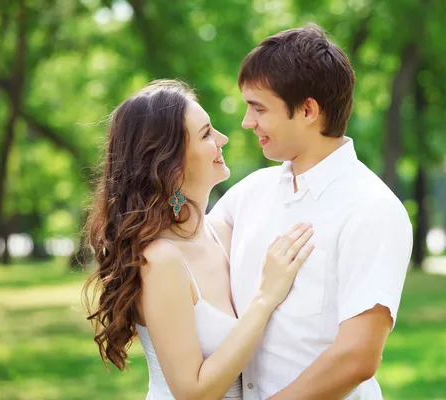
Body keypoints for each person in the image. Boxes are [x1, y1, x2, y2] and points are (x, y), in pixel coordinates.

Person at [209, 24, 413, 399]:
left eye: (258, 108)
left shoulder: (372, 208)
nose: (246, 122)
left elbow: (358, 356)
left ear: (307, 110)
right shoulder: (251, 193)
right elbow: (188, 243)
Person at [82, 79, 315, 400]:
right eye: (206, 134)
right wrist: (265, 298)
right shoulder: (160, 260)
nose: (223, 138)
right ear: (170, 164)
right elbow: (193, 393)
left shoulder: (224, 234)